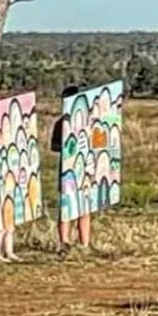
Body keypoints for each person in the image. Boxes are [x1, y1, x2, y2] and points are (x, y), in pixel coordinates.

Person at [53, 85, 93, 258]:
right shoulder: (60, 123)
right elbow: (54, 146)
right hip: (67, 171)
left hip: (84, 169)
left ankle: (84, 244)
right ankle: (64, 243)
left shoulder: (88, 121)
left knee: (84, 208)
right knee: (66, 208)